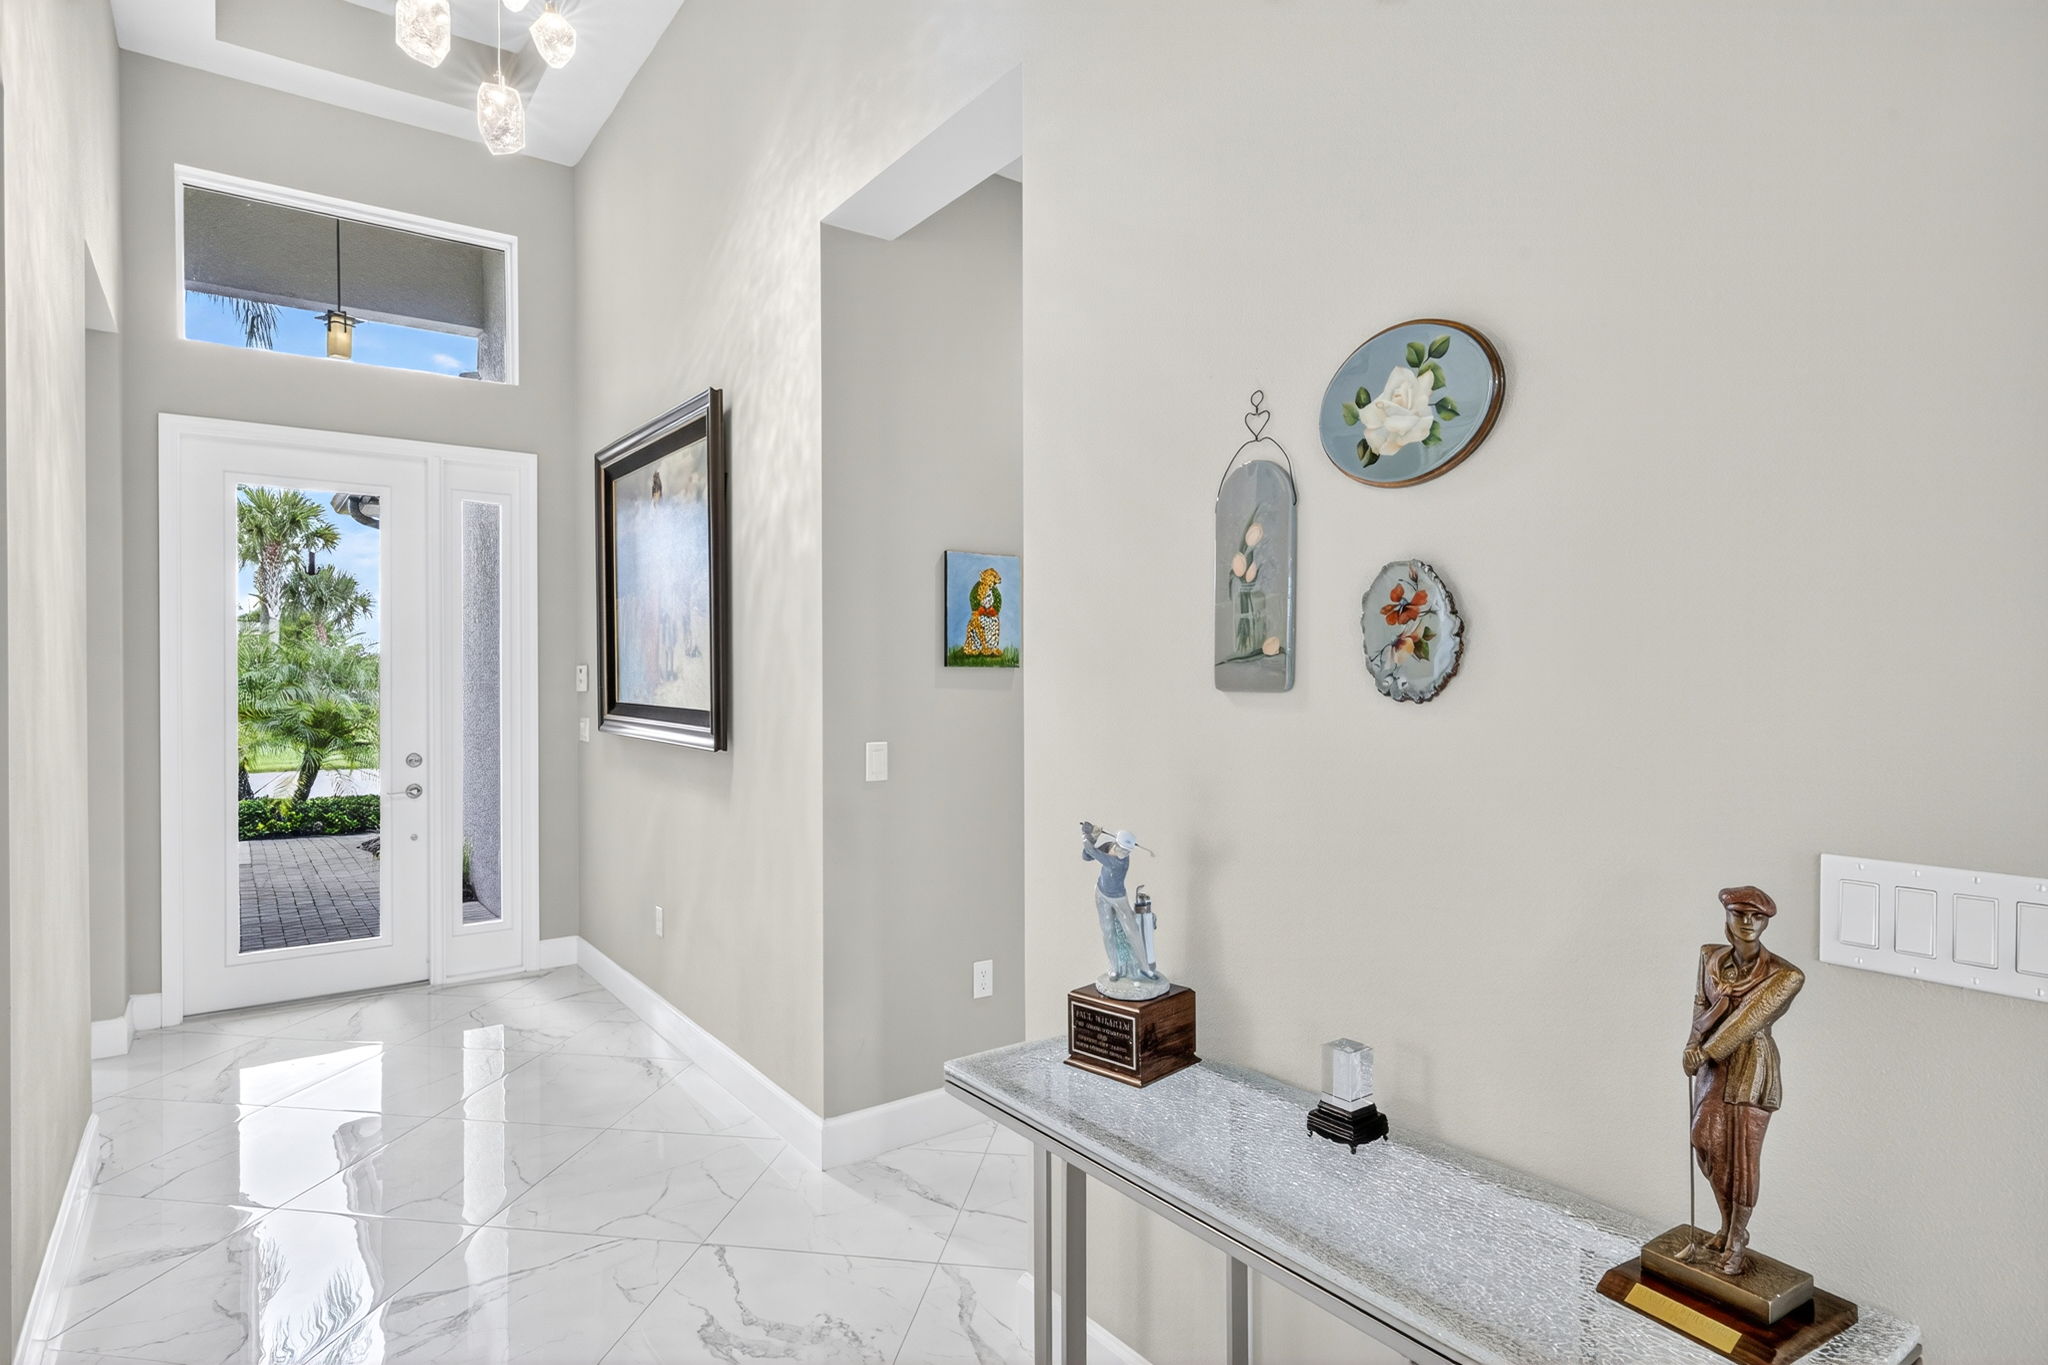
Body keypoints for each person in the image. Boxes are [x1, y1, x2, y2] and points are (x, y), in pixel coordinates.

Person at [1679, 885, 1804, 1277]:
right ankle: (1724, 1224)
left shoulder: (1785, 975)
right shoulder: (1709, 957)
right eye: (1740, 915)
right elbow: (1701, 1005)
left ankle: (1736, 1237)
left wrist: (1707, 1050)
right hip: (1712, 1068)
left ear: (1766, 922)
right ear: (1728, 917)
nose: (1748, 923)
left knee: (1742, 1157)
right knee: (1706, 1142)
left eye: (1757, 917)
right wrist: (1690, 1046)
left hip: (1750, 1067)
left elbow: (1748, 1019)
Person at [1080, 822, 1168, 1000]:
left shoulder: (1119, 862)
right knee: (1107, 931)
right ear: (1117, 844)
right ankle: (1114, 968)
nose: (1125, 853)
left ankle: (1145, 968)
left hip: (1118, 897)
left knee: (1132, 931)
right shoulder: (1109, 847)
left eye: (1128, 851)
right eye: (1123, 849)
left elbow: (1092, 851)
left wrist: (1087, 836)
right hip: (1101, 893)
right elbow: (1086, 856)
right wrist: (1094, 837)